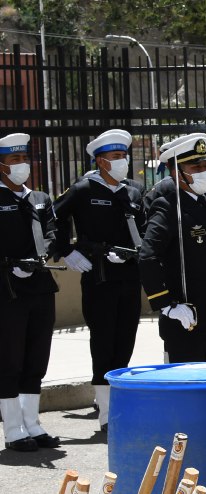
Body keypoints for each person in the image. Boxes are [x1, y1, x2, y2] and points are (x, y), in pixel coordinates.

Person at [52, 128, 146, 433]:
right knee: (103, 341)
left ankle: (118, 400)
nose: (122, 161)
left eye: (124, 156)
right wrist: (68, 251)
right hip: (99, 277)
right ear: (100, 161)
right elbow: (53, 218)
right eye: (115, 157)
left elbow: (144, 229)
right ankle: (105, 411)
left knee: (126, 340)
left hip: (129, 275)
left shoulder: (133, 191)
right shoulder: (83, 189)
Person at [138, 133, 206, 365]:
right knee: (191, 387)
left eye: (205, 165)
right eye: (196, 166)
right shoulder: (167, 207)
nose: (204, 171)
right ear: (177, 172)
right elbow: (148, 257)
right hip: (186, 314)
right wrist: (167, 305)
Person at [0, 132, 60, 451]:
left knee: (37, 357)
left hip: (39, 284)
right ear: (1, 165)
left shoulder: (39, 198)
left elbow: (53, 231)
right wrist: (10, 264)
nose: (22, 165)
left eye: (24, 159)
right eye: (14, 160)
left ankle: (33, 424)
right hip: (7, 289)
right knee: (10, 359)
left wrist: (39, 258)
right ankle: (12, 429)